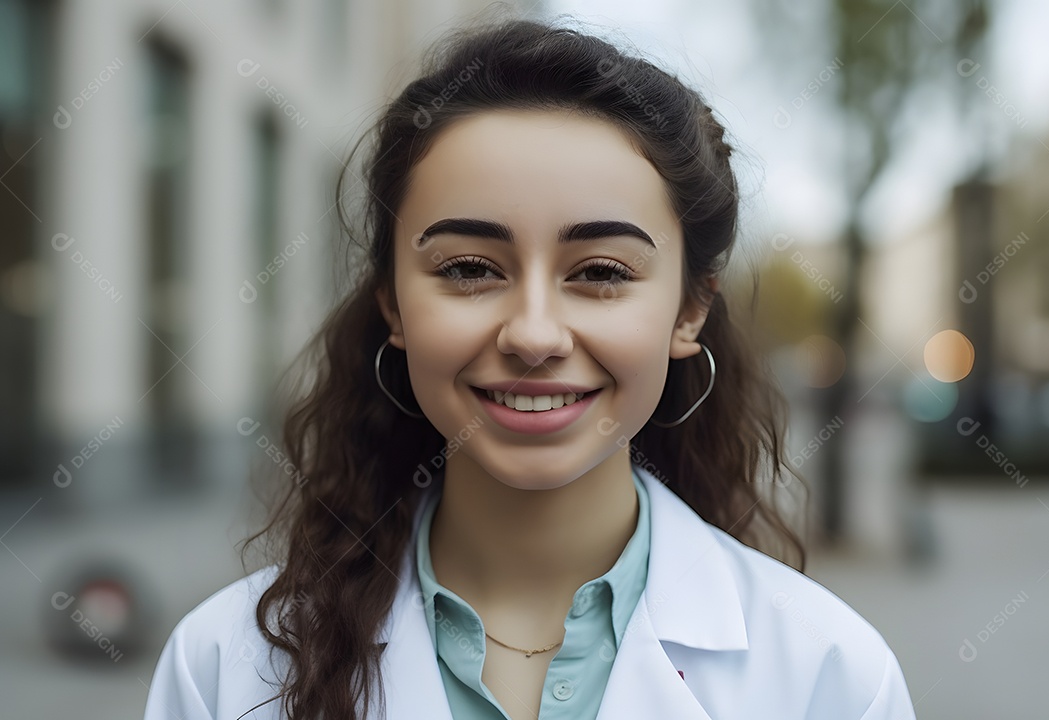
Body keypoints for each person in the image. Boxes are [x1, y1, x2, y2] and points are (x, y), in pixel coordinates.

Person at [142, 11, 918, 720]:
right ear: (392, 304)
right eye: (471, 268)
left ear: (689, 311)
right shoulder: (224, 672)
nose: (535, 334)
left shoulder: (831, 678)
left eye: (603, 273)